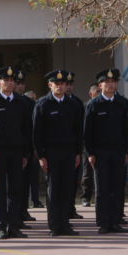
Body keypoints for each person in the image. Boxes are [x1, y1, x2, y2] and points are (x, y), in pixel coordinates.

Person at [0, 67, 32, 239]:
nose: (10, 83)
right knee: (0, 191)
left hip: (17, 151)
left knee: (15, 190)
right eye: (6, 80)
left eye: (13, 81)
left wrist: (25, 154)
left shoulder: (21, 102)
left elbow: (26, 130)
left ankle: (14, 226)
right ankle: (1, 227)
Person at [33, 70, 83, 237]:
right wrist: (40, 156)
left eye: (63, 84)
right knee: (53, 189)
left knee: (67, 189)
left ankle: (65, 224)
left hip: (69, 151)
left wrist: (77, 153)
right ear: (50, 85)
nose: (60, 86)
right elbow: (36, 133)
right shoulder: (42, 104)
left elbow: (78, 131)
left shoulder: (73, 104)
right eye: (57, 83)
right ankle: (55, 225)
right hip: (51, 152)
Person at [84, 69, 128, 234]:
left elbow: (127, 129)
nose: (111, 84)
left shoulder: (122, 103)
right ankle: (104, 222)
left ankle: (115, 221)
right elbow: (87, 132)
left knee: (117, 188)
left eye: (113, 81)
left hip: (118, 151)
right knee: (103, 189)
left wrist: (127, 150)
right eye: (107, 82)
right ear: (100, 85)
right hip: (100, 152)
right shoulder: (94, 104)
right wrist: (90, 153)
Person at [15, 72, 41, 222]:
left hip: (27, 149)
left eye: (22, 83)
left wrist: (34, 149)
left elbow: (34, 128)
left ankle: (23, 211)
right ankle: (12, 213)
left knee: (25, 182)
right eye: (17, 83)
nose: (20, 86)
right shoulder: (6, 101)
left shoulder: (30, 103)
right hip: (10, 148)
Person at [65, 73, 86, 220]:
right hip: (57, 149)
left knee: (72, 182)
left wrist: (80, 147)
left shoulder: (77, 103)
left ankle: (71, 208)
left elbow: (81, 127)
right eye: (66, 84)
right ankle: (60, 212)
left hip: (73, 148)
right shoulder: (47, 102)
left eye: (71, 84)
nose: (68, 87)